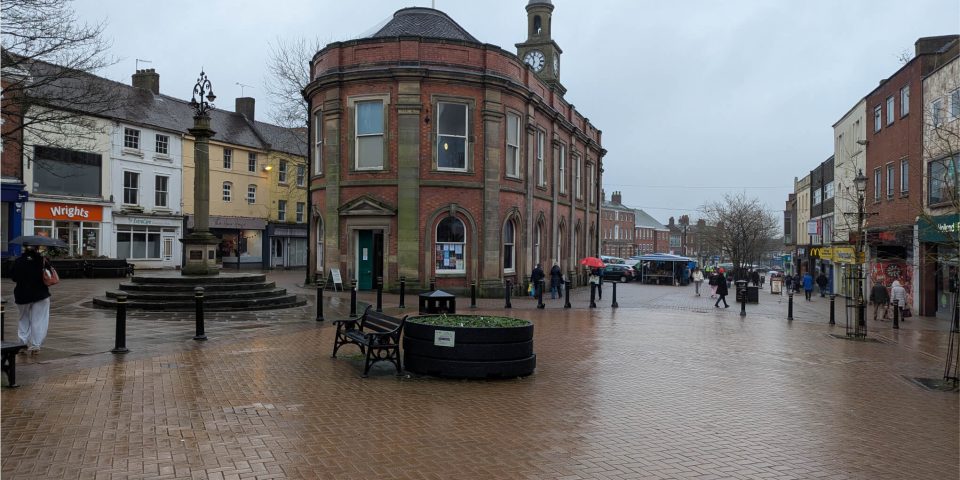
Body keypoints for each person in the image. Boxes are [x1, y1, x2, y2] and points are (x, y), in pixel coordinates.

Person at [11, 245, 52, 355]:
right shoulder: (42, 261)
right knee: (38, 320)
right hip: (40, 294)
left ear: (24, 249)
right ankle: (35, 345)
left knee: (23, 319)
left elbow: (13, 277)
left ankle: (22, 344)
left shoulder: (18, 261)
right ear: (36, 249)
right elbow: (50, 275)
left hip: (22, 295)